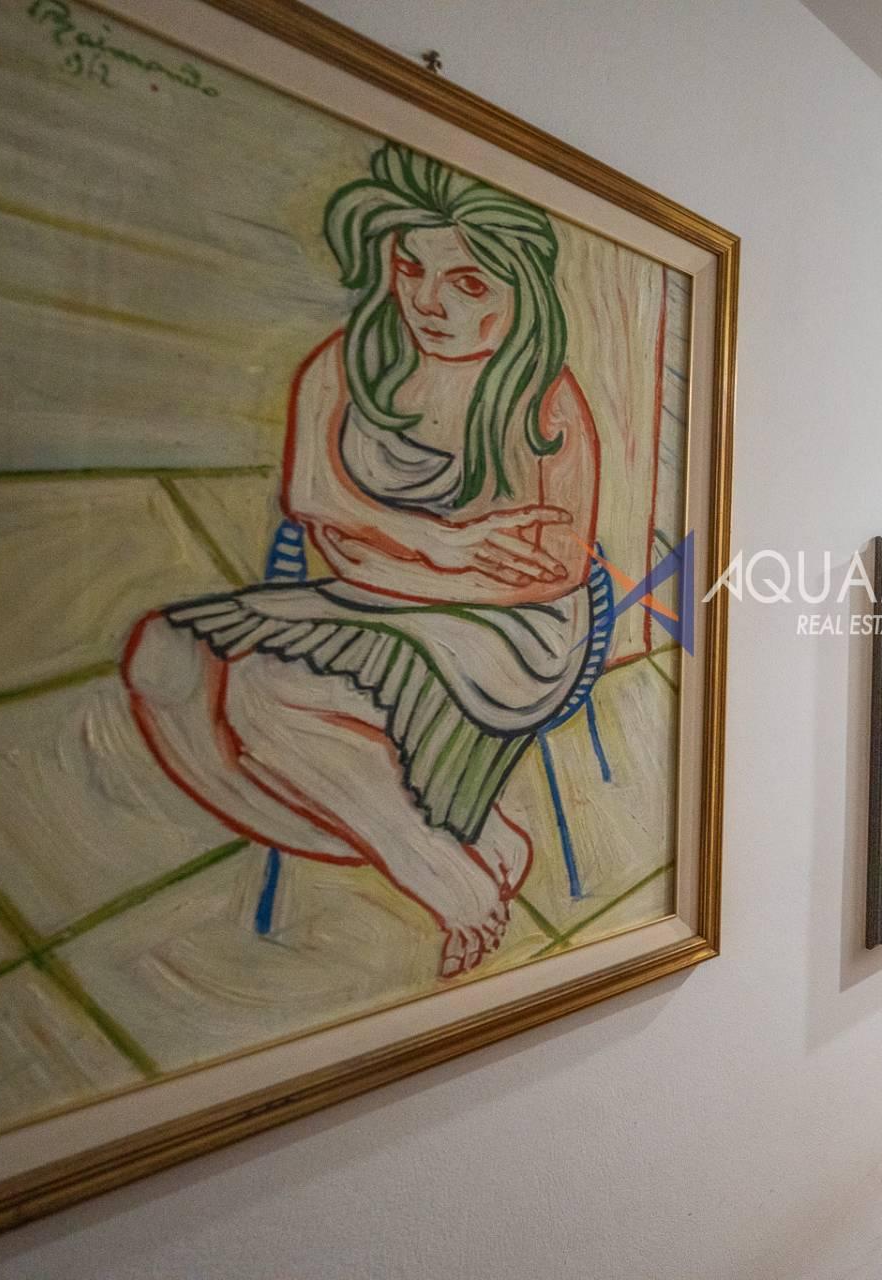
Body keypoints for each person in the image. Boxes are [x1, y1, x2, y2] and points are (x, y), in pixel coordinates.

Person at [123, 143, 601, 978]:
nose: (427, 300)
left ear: (520, 293)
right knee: (160, 659)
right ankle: (453, 836)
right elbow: (314, 498)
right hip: (371, 596)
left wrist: (382, 551)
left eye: (468, 283)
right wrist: (441, 544)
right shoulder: (349, 363)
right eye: (412, 267)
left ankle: (440, 872)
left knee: (266, 697)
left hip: (511, 633)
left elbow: (554, 570)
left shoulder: (543, 399)